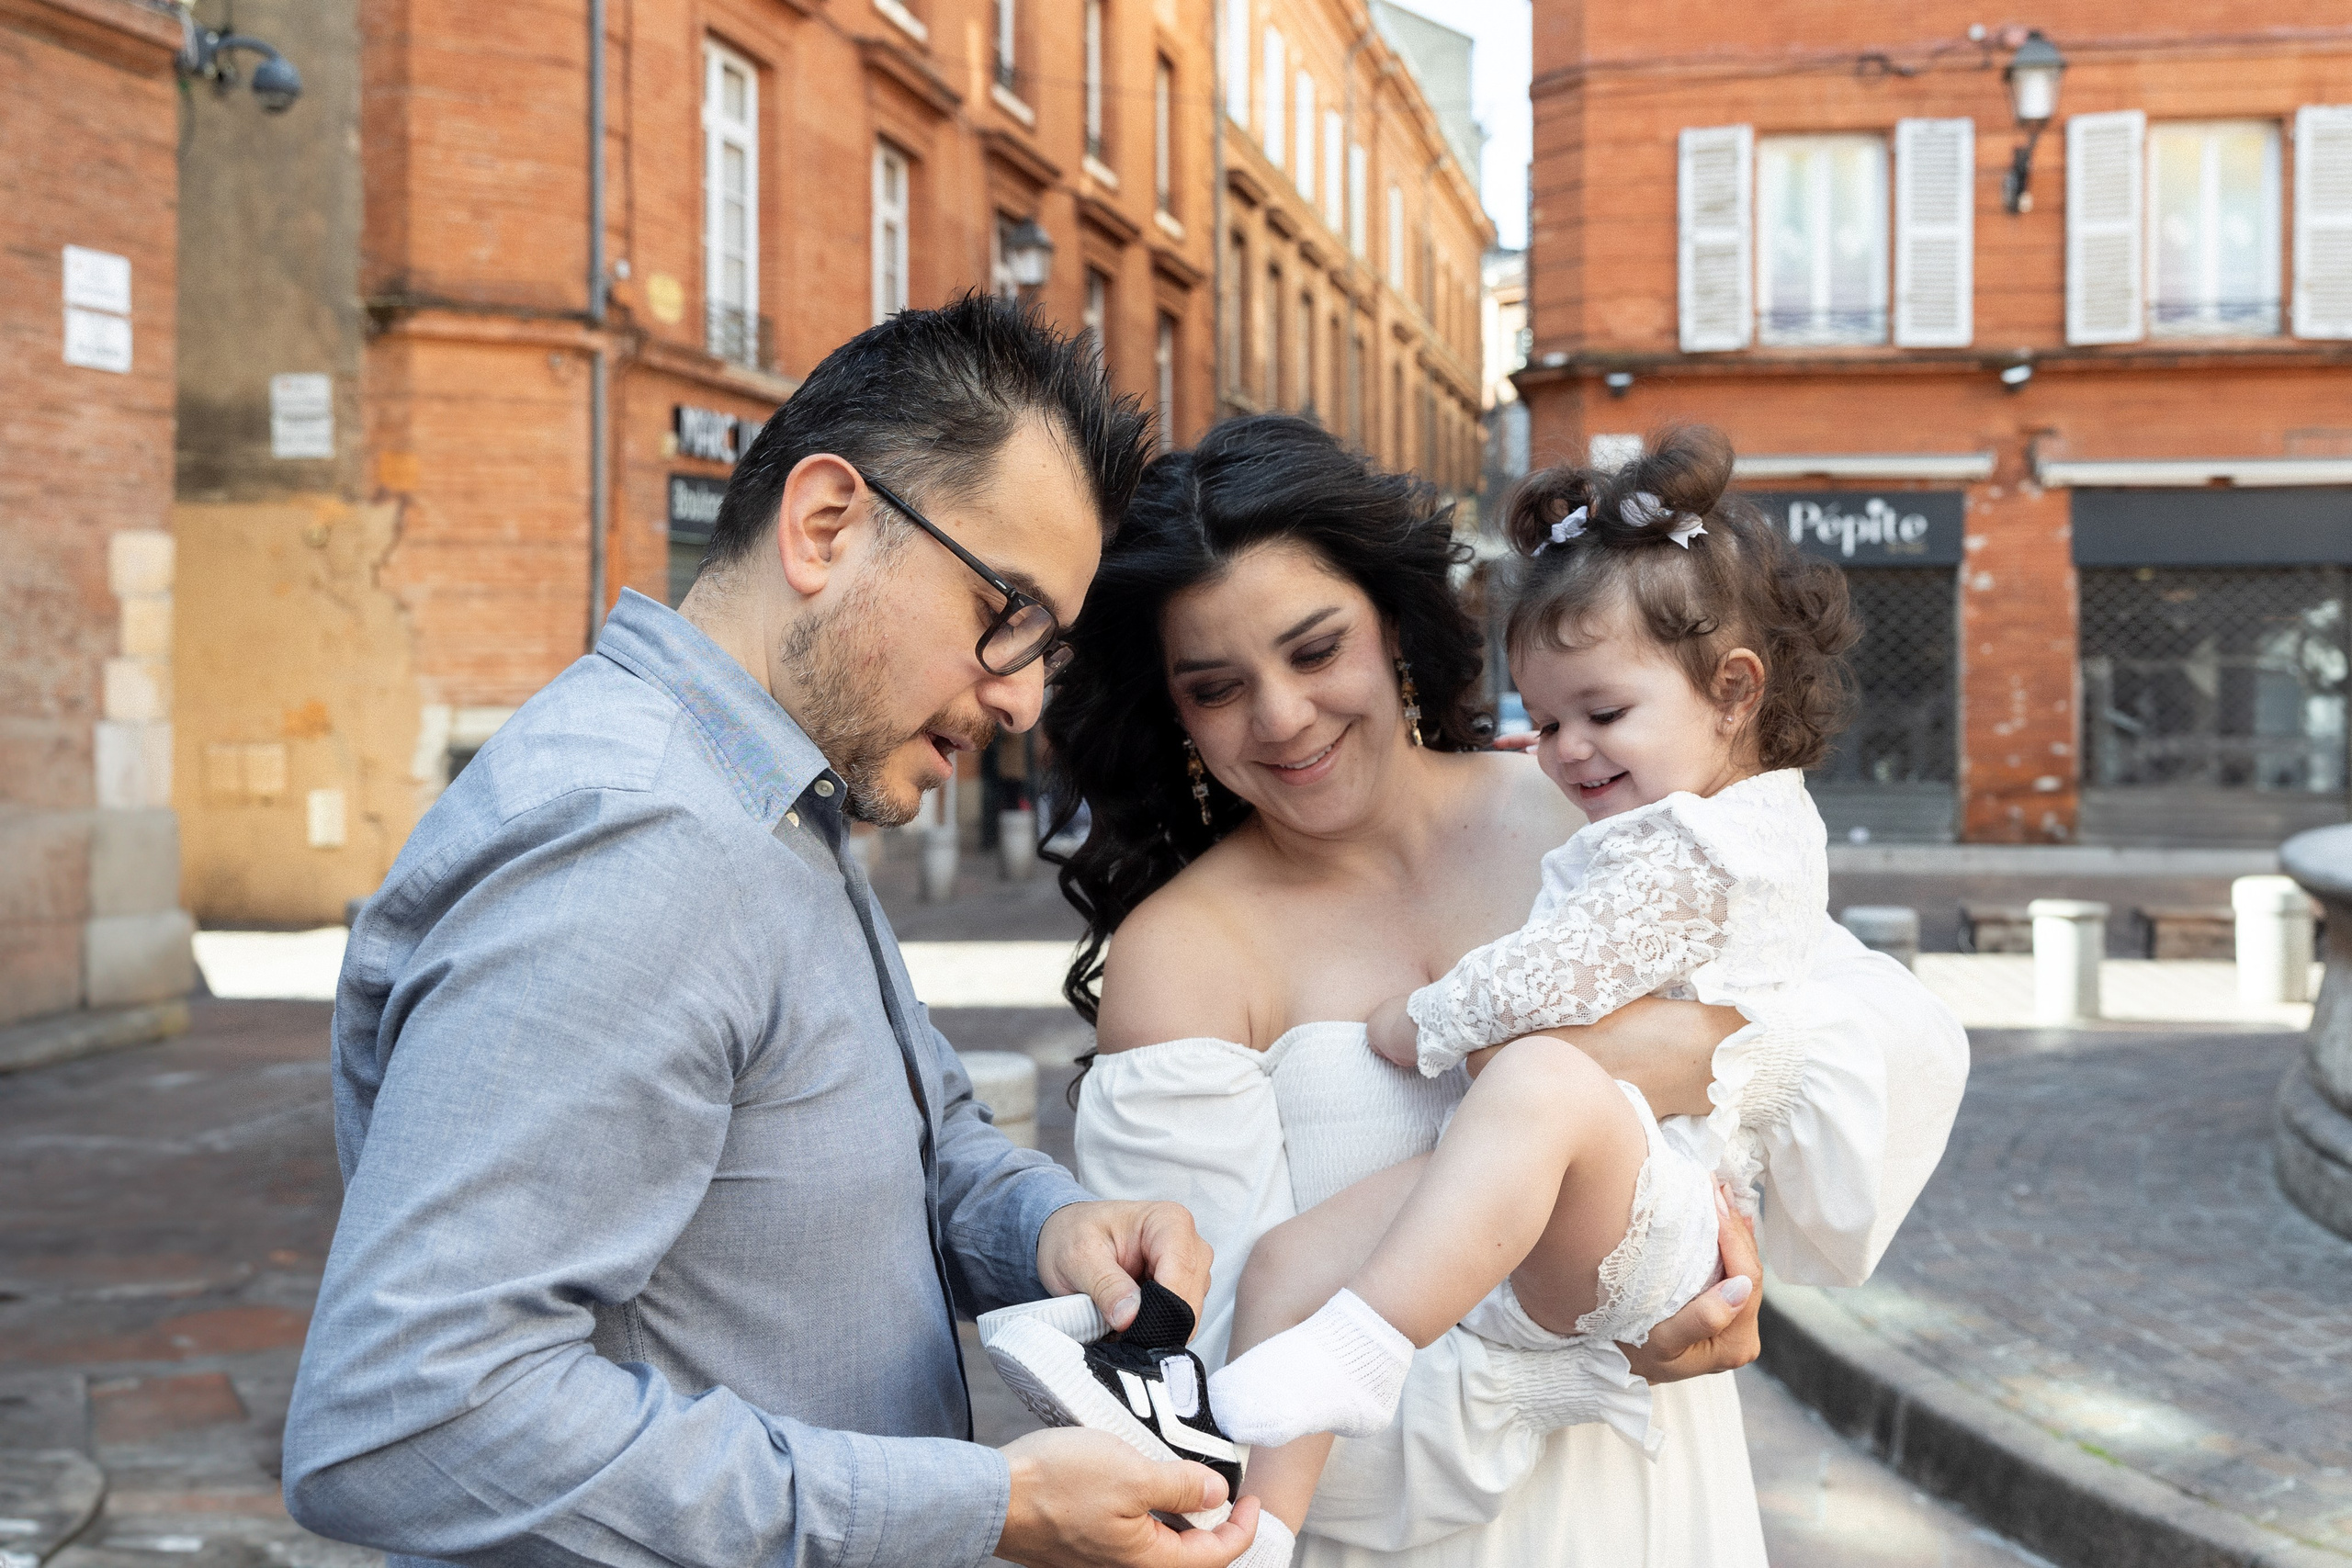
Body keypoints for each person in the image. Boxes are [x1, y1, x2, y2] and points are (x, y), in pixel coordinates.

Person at [280, 296, 1265, 1568]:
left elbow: (893, 1149)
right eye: (1005, 613)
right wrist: (986, 1504)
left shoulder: (771, 793)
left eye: (1049, 650)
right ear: (825, 525)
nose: (1023, 698)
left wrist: (1042, 1228)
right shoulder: (645, 838)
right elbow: (411, 1420)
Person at [1036, 414, 1970, 1567]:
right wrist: (1587, 1360)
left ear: (1391, 629)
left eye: (1316, 650)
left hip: (1653, 1502)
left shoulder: (1589, 813)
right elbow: (1223, 1384)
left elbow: (1897, 1038)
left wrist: (1712, 1051)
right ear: (1173, 711)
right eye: (1218, 687)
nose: (1281, 717)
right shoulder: (1179, 956)